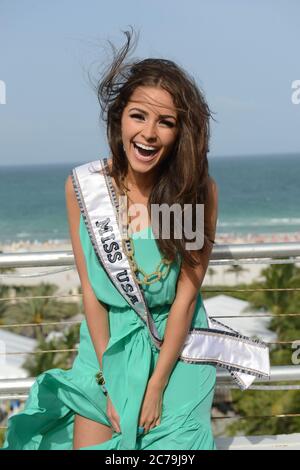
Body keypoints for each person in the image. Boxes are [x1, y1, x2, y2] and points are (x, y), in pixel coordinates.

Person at [2, 30, 219, 450]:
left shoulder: (196, 192)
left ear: (180, 133)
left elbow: (185, 300)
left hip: (175, 349)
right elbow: (91, 293)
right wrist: (108, 379)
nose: (149, 133)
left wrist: (155, 386)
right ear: (119, 117)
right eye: (139, 115)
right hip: (106, 346)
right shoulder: (83, 188)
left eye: (166, 122)